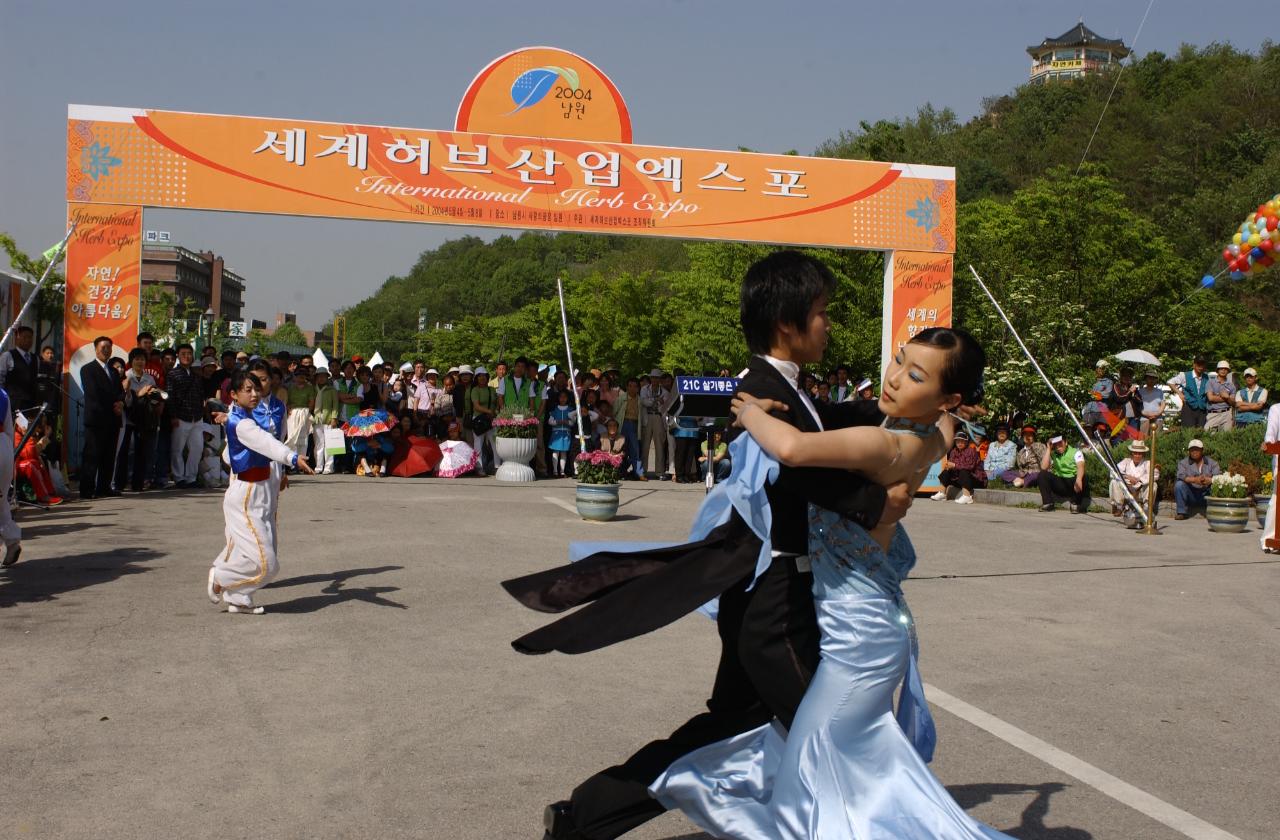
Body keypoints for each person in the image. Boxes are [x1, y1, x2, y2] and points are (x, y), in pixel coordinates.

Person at [508, 251, 909, 840]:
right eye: (821, 313)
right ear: (786, 323)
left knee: (727, 730)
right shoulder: (763, 391)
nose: (828, 324)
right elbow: (800, 467)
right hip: (775, 603)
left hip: (767, 594)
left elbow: (825, 420)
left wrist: (909, 406)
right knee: (838, 739)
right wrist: (878, 504)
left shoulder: (780, 388)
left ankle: (585, 814)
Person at [647, 328, 1009, 839]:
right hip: (867, 630)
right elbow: (946, 421)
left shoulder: (886, 443)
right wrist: (950, 405)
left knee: (808, 780)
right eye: (899, 361)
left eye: (915, 375)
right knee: (831, 775)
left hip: (857, 645)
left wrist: (748, 412)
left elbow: (793, 449)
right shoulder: (932, 435)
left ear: (946, 395)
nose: (894, 378)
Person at [206, 371, 313, 615]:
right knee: (268, 564)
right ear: (234, 395)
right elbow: (266, 442)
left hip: (259, 492)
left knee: (244, 551)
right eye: (248, 390)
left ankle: (239, 597)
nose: (254, 394)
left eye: (257, 388)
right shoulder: (242, 423)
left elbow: (240, 449)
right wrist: (292, 457)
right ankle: (221, 576)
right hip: (246, 496)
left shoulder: (243, 418)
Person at [79, 336, 123, 499]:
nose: (106, 350)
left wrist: (120, 403)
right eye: (103, 347)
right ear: (96, 349)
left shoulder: (113, 371)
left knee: (108, 455)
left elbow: (120, 391)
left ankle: (104, 487)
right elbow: (93, 394)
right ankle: (87, 490)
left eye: (108, 347)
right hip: (96, 419)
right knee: (92, 455)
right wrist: (113, 405)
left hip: (113, 420)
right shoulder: (87, 369)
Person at [120, 348, 162, 492]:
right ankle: (127, 480)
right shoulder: (126, 377)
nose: (140, 362)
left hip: (144, 420)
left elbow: (154, 399)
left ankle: (140, 481)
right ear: (131, 361)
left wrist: (153, 395)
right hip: (128, 420)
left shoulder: (150, 379)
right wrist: (139, 393)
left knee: (143, 451)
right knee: (129, 451)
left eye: (142, 359)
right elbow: (126, 402)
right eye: (137, 359)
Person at [167, 344, 205, 489]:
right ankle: (179, 478)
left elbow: (201, 394)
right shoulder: (173, 374)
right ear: (178, 355)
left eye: (189, 353)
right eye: (183, 353)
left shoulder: (196, 375)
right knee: (177, 449)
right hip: (181, 416)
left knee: (197, 448)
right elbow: (170, 397)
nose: (187, 356)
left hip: (197, 416)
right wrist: (173, 416)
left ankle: (191, 477)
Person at [15, 412, 62, 505]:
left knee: (39, 461)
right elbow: (28, 453)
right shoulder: (16, 434)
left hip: (20, 462)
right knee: (31, 464)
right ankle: (43, 496)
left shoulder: (27, 433)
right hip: (13, 465)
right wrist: (28, 436)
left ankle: (50, 492)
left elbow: (33, 453)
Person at [1038, 434, 1088, 513]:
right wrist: (1048, 449)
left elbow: (1080, 466)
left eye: (1060, 443)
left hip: (1073, 484)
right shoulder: (1053, 454)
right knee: (1042, 474)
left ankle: (1075, 504)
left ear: (1066, 442)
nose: (1058, 446)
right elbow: (1043, 467)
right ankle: (1048, 503)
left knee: (1082, 476)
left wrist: (1078, 479)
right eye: (1055, 444)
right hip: (1060, 483)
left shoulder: (1076, 452)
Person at [932, 429, 985, 504]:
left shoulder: (971, 451)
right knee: (946, 471)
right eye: (957, 441)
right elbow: (951, 463)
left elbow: (969, 467)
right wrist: (948, 466)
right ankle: (942, 493)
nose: (959, 443)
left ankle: (967, 496)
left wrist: (954, 465)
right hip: (960, 478)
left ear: (966, 442)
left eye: (962, 441)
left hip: (976, 479)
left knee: (964, 471)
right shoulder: (954, 451)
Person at [1110, 441, 1156, 527]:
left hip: (1141, 490)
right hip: (1127, 489)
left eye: (1140, 454)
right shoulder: (1126, 461)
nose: (1137, 455)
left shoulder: (1147, 463)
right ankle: (1119, 506)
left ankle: (1147, 508)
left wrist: (1139, 480)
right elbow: (1113, 472)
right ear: (1132, 453)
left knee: (1153, 484)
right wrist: (1127, 477)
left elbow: (1155, 474)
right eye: (1135, 453)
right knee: (1114, 481)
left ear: (1143, 454)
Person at [1174, 438, 1220, 520]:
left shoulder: (1213, 463)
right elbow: (1181, 476)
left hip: (1206, 493)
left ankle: (1214, 511)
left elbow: (1218, 477)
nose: (1194, 452)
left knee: (1216, 485)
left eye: (1197, 449)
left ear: (1202, 450)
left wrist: (1208, 480)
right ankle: (1181, 512)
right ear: (1189, 451)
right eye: (1192, 450)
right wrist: (1195, 480)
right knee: (1179, 484)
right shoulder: (1183, 463)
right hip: (1191, 493)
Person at [0, 325, 39, 417]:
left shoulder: (35, 359)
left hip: (30, 405)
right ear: (17, 339)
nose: (28, 340)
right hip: (12, 405)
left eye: (30, 337)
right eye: (25, 337)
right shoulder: (8, 356)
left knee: (28, 430)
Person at [639, 369, 670, 479]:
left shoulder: (665, 392)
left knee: (659, 445)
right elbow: (644, 402)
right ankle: (643, 470)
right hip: (647, 417)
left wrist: (652, 401)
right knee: (645, 445)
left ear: (660, 379)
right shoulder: (644, 389)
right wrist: (656, 400)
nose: (655, 380)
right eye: (653, 377)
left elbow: (664, 407)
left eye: (657, 378)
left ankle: (659, 472)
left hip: (658, 417)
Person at [0, 386, 19, 565]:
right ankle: (12, 541)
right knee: (1, 501)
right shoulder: (3, 393)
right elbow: (8, 429)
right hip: (3, 447)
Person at [468, 367, 498, 476]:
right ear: (476, 378)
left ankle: (497, 466)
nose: (482, 378)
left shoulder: (492, 389)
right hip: (479, 420)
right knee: (478, 445)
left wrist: (494, 412)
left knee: (495, 444)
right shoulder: (475, 390)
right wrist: (489, 411)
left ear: (487, 377)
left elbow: (497, 403)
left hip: (491, 420)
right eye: (479, 376)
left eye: (484, 375)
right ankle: (479, 467)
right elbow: (476, 406)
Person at [613, 377, 645, 480]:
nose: (632, 388)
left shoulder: (640, 400)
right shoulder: (621, 398)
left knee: (635, 450)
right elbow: (614, 412)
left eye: (635, 386)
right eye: (630, 386)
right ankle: (616, 472)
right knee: (619, 449)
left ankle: (639, 473)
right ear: (626, 387)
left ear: (638, 388)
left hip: (634, 425)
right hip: (623, 424)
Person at [1168, 355, 1210, 429]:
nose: (1201, 366)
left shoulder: (1207, 377)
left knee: (1201, 431)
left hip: (1202, 409)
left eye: (1203, 364)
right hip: (1189, 407)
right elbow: (1170, 382)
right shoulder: (1185, 375)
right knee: (1188, 432)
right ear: (1194, 365)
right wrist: (1180, 393)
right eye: (1198, 364)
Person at [284, 367, 315, 462]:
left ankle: (301, 462)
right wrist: (289, 409)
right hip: (292, 413)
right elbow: (287, 401)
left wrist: (306, 412)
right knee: (292, 437)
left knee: (303, 439)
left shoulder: (309, 388)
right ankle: (292, 461)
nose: (300, 378)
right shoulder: (290, 388)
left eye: (302, 376)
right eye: (298, 376)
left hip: (304, 413)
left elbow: (311, 402)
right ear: (295, 377)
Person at [311, 368, 338, 475]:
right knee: (318, 444)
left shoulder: (332, 390)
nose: (321, 378)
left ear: (327, 377)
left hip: (328, 419)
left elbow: (335, 405)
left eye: (324, 376)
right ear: (316, 378)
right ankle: (318, 465)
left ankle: (329, 466)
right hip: (316, 419)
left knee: (330, 444)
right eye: (319, 376)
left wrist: (334, 418)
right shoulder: (313, 389)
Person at [670, 399, 702, 483]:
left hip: (693, 431)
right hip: (681, 431)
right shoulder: (681, 400)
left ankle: (686, 475)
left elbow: (700, 417)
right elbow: (677, 414)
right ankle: (679, 475)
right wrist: (693, 417)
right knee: (680, 454)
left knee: (689, 456)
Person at [1262, 403, 1279, 553]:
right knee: (1276, 499)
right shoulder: (1277, 409)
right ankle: (1269, 539)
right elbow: (1271, 431)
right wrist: (1269, 442)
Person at [546, 388, 575, 477]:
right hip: (556, 433)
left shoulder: (570, 409)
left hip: (566, 434)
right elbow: (550, 421)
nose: (563, 399)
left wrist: (567, 422)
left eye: (565, 397)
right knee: (555, 452)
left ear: (567, 398)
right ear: (558, 398)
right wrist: (557, 422)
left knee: (563, 453)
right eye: (561, 397)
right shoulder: (554, 410)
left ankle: (562, 471)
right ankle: (555, 471)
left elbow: (573, 422)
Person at [1204, 360, 1236, 432]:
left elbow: (1233, 403)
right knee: (1208, 433)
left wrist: (1227, 397)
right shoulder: (1210, 382)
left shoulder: (1231, 385)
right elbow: (1211, 398)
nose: (1223, 370)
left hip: (1227, 413)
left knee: (1227, 438)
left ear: (1228, 371)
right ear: (1217, 370)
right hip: (1213, 414)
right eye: (1221, 368)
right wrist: (1226, 398)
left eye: (1225, 369)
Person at [1083, 359, 1112, 429]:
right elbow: (1085, 392)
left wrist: (1093, 394)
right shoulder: (1090, 380)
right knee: (1087, 432)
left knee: (1101, 432)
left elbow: (1107, 394)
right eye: (1102, 368)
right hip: (1088, 410)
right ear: (1097, 369)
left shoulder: (1109, 382)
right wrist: (1095, 394)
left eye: (1105, 368)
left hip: (1102, 411)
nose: (1103, 370)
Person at [1136, 370, 1165, 435]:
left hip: (1157, 418)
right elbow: (1137, 405)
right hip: (1144, 419)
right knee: (1143, 440)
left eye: (1154, 378)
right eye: (1149, 378)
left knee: (1156, 440)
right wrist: (1145, 413)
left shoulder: (1159, 391)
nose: (1151, 380)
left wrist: (1157, 413)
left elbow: (1163, 404)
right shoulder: (1140, 392)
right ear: (1146, 379)